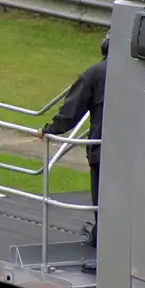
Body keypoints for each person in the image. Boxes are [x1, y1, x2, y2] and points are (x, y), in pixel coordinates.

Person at [36, 31, 109, 248]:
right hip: (135, 151)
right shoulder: (142, 74)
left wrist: (49, 129)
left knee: (102, 204)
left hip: (103, 149)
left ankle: (101, 239)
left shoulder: (95, 73)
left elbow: (70, 113)